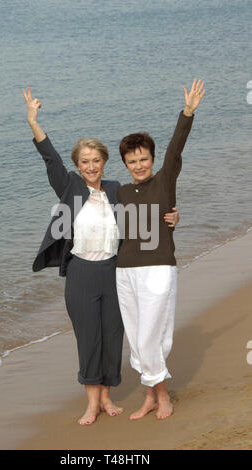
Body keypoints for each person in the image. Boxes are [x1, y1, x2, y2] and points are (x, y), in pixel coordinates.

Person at [22, 87, 180, 425]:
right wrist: (34, 122)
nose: (91, 166)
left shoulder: (115, 189)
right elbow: (50, 157)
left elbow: (145, 214)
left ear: (104, 162)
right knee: (88, 338)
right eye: (85, 162)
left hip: (114, 271)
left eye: (96, 161)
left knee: (112, 336)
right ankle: (92, 402)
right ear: (78, 166)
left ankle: (108, 397)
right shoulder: (69, 187)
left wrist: (172, 217)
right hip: (81, 273)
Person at [115, 78, 206, 421]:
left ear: (151, 158)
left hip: (157, 269)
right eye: (132, 161)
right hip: (124, 272)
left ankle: (163, 396)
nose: (139, 165)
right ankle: (150, 397)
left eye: (143, 159)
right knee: (137, 340)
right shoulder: (120, 192)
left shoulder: (165, 180)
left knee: (152, 334)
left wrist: (187, 112)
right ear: (124, 163)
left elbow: (175, 149)